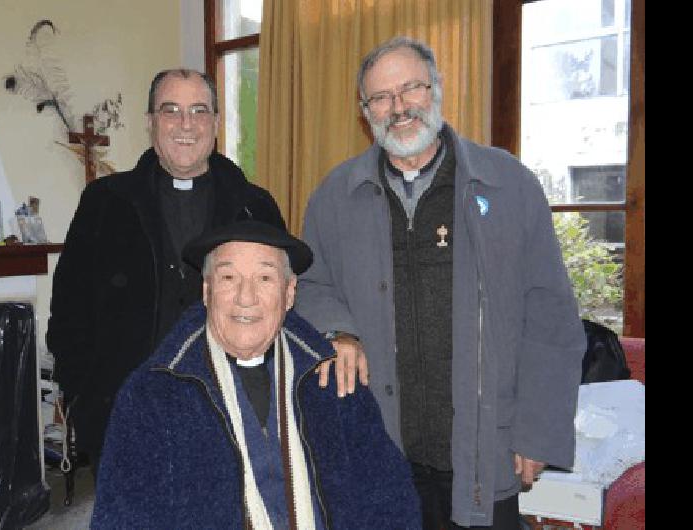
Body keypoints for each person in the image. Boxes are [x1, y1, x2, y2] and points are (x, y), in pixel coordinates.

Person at [295, 36, 587, 529]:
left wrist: (538, 432)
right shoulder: (334, 196)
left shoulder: (509, 185)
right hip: (382, 448)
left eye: (412, 88)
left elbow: (550, 318)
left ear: (437, 91)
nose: (399, 107)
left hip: (482, 448)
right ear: (365, 113)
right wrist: (339, 331)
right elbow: (310, 284)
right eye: (381, 98)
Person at [91, 220, 422, 529]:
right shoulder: (153, 393)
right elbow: (123, 517)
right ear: (206, 291)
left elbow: (388, 498)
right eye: (229, 278)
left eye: (264, 278)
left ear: (289, 294)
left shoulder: (333, 379)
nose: (245, 297)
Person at [46, 68, 286, 476]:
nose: (186, 124)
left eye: (199, 110)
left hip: (231, 414)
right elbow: (69, 312)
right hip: (126, 414)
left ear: (215, 122)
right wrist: (86, 396)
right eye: (170, 110)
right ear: (151, 122)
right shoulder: (105, 203)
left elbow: (283, 308)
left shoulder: (255, 206)